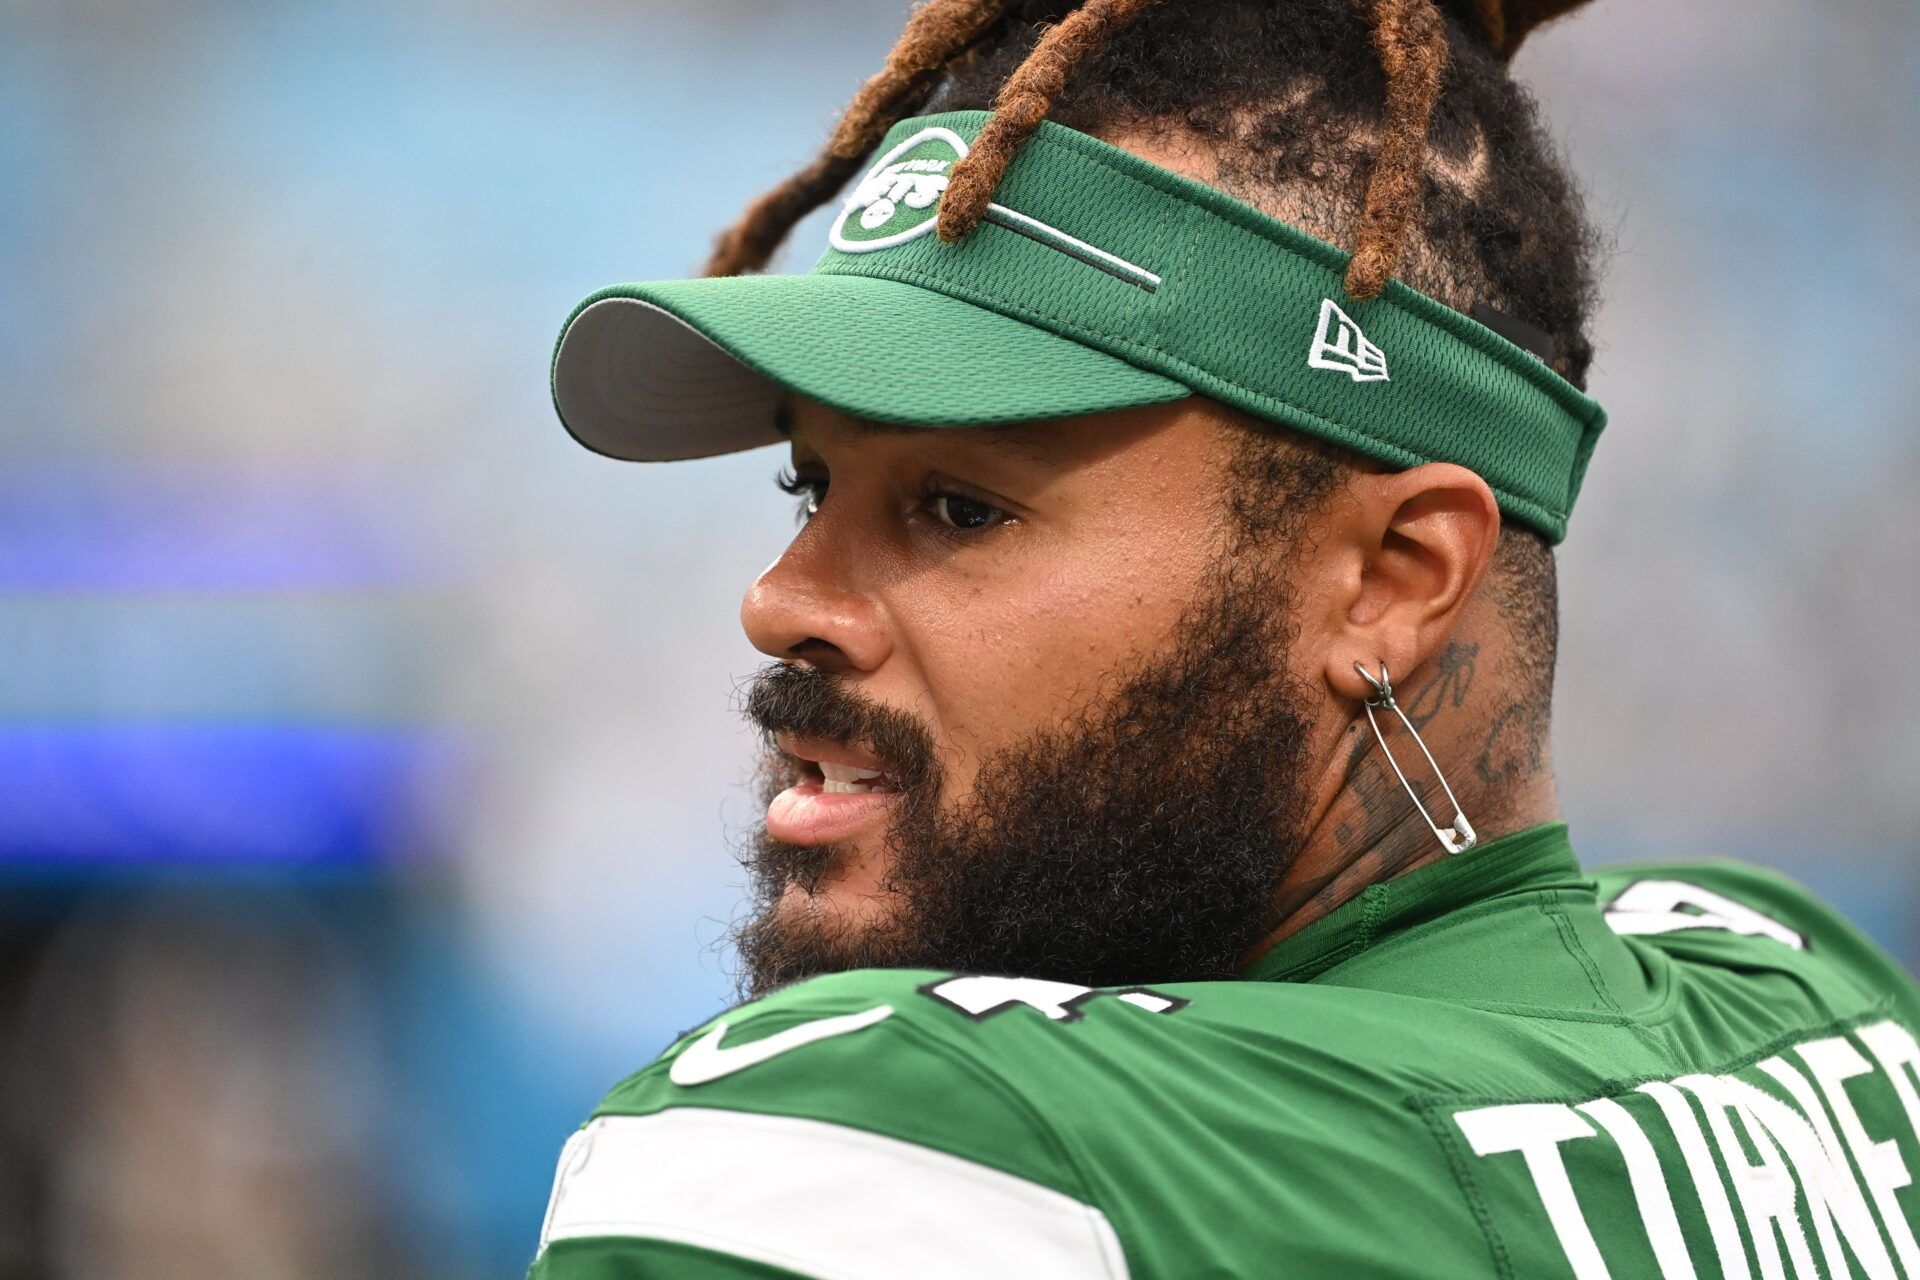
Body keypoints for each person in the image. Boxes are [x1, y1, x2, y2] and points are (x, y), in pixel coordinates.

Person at [531, 1, 1920, 1275]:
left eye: (959, 507)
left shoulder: (892, 1151)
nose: (780, 602)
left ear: (1392, 577)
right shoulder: (1820, 1005)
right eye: (812, 487)